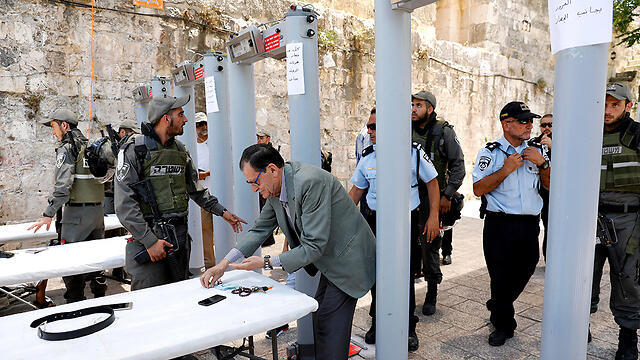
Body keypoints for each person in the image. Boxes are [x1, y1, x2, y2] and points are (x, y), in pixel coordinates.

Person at [201, 144, 376, 360]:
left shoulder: (310, 182)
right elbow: (258, 230)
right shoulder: (276, 188)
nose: (254, 189)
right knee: (320, 318)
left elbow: (314, 245)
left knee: (330, 324)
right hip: (330, 261)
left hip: (349, 259)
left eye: (254, 182)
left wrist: (265, 262)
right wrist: (223, 264)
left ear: (272, 169)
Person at [114, 95, 246, 290]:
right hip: (148, 240)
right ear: (166, 118)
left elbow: (196, 191)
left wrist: (223, 212)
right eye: (181, 114)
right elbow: (125, 205)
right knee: (151, 304)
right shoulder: (134, 150)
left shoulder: (181, 150)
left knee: (179, 298)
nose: (186, 119)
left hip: (179, 239)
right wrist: (150, 242)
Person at [348, 110, 440, 351]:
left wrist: (433, 217)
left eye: (374, 127)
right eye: (369, 126)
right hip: (375, 222)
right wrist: (342, 222)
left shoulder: (413, 153)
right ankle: (378, 322)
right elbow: (355, 193)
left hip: (405, 223)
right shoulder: (368, 158)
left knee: (404, 275)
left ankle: (408, 326)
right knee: (377, 274)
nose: (369, 131)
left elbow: (432, 183)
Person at [472, 101, 550, 346]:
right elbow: (478, 188)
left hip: (528, 225)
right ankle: (504, 324)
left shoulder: (537, 151)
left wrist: (543, 164)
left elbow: (549, 185)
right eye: (523, 121)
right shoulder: (490, 152)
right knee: (500, 276)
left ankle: (498, 303)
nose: (530, 126)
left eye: (530, 121)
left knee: (528, 267)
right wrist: (505, 170)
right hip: (499, 225)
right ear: (507, 124)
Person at [29, 109, 108, 303]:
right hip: (98, 213)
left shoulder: (67, 149)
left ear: (64, 125)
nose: (52, 132)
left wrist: (48, 213)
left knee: (71, 263)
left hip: (76, 215)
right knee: (97, 260)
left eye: (54, 126)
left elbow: (63, 187)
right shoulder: (92, 146)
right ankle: (100, 299)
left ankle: (75, 303)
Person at [590, 83, 640, 359]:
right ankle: (579, 324)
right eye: (605, 104)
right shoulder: (589, 134)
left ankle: (628, 336)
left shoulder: (638, 135)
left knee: (627, 278)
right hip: (592, 217)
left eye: (615, 105)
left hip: (628, 218)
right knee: (584, 275)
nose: (607, 111)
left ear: (628, 106)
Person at [411, 90, 466, 316]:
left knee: (430, 246)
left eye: (419, 106)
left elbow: (458, 166)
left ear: (430, 109)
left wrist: (447, 195)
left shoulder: (444, 132)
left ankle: (431, 291)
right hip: (409, 197)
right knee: (409, 247)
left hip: (433, 199)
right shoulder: (405, 130)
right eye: (412, 105)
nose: (413, 109)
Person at [195, 112, 215, 267]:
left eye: (205, 123)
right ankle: (210, 264)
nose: (203, 127)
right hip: (203, 195)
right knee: (205, 230)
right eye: (199, 124)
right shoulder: (193, 146)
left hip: (222, 193)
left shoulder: (217, 142)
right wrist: (205, 174)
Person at [532, 114, 552, 260]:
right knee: (533, 226)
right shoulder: (533, 143)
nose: (546, 128)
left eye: (550, 125)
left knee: (551, 226)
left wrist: (553, 146)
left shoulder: (563, 143)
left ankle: (549, 258)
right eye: (543, 125)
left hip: (552, 193)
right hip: (535, 192)